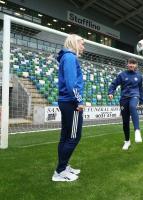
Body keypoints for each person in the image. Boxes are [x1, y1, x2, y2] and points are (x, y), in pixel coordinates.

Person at [52, 34, 85, 182]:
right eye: (82, 43)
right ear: (74, 43)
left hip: (66, 101)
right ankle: (60, 171)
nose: (83, 47)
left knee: (65, 136)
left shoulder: (66, 57)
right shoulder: (71, 58)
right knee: (73, 136)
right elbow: (72, 84)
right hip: (71, 102)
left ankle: (63, 167)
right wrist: (79, 101)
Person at [108, 58, 143, 150]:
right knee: (125, 122)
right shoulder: (122, 75)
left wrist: (141, 100)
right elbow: (113, 84)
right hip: (124, 99)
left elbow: (140, 89)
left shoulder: (139, 76)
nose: (131, 65)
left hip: (134, 96)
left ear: (136, 65)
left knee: (132, 106)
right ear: (127, 64)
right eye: (130, 63)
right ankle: (127, 141)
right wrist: (111, 92)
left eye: (133, 63)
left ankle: (137, 130)